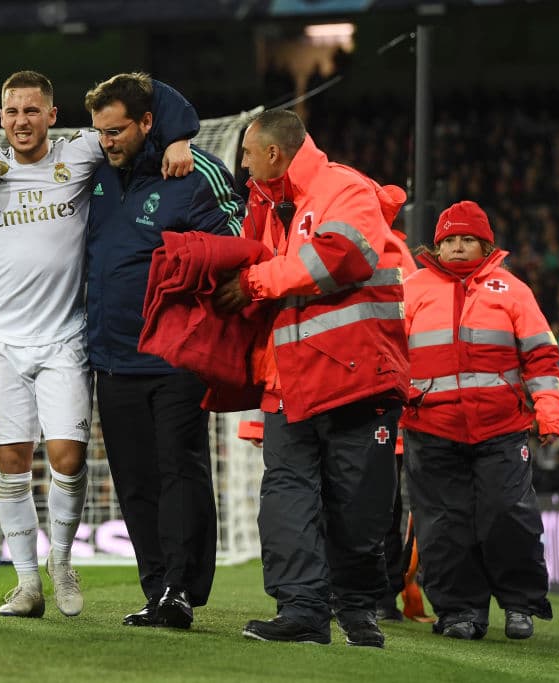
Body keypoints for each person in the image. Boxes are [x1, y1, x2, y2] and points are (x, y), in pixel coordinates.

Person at [0, 70, 198, 619]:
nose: (21, 121)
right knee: (11, 463)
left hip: (64, 338)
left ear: (52, 116)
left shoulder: (82, 153)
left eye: (32, 111)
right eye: (11, 111)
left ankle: (61, 564)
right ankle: (27, 584)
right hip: (1, 340)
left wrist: (178, 136)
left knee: (67, 459)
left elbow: (146, 95)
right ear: (0, 115)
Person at [213, 109, 409, 648]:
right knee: (287, 499)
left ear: (273, 153)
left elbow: (338, 258)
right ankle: (302, 610)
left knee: (358, 504)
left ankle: (358, 609)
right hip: (290, 384)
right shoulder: (271, 208)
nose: (244, 168)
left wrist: (255, 282)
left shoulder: (345, 188)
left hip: (354, 378)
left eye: (248, 156)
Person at [84, 72, 244, 630]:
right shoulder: (95, 170)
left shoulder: (192, 170)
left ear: (149, 121)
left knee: (180, 468)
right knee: (134, 478)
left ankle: (182, 587)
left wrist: (183, 134)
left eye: (118, 130)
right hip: (112, 355)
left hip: (176, 354)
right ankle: (157, 589)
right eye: (100, 131)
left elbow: (236, 239)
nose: (107, 141)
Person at [401, 200, 559, 640]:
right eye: (449, 240)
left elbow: (541, 357)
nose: (457, 247)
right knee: (443, 526)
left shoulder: (512, 290)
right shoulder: (411, 288)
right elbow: (391, 355)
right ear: (436, 245)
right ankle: (459, 612)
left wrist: (548, 409)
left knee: (508, 514)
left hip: (501, 429)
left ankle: (520, 603)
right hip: (430, 428)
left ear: (484, 243)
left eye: (466, 239)